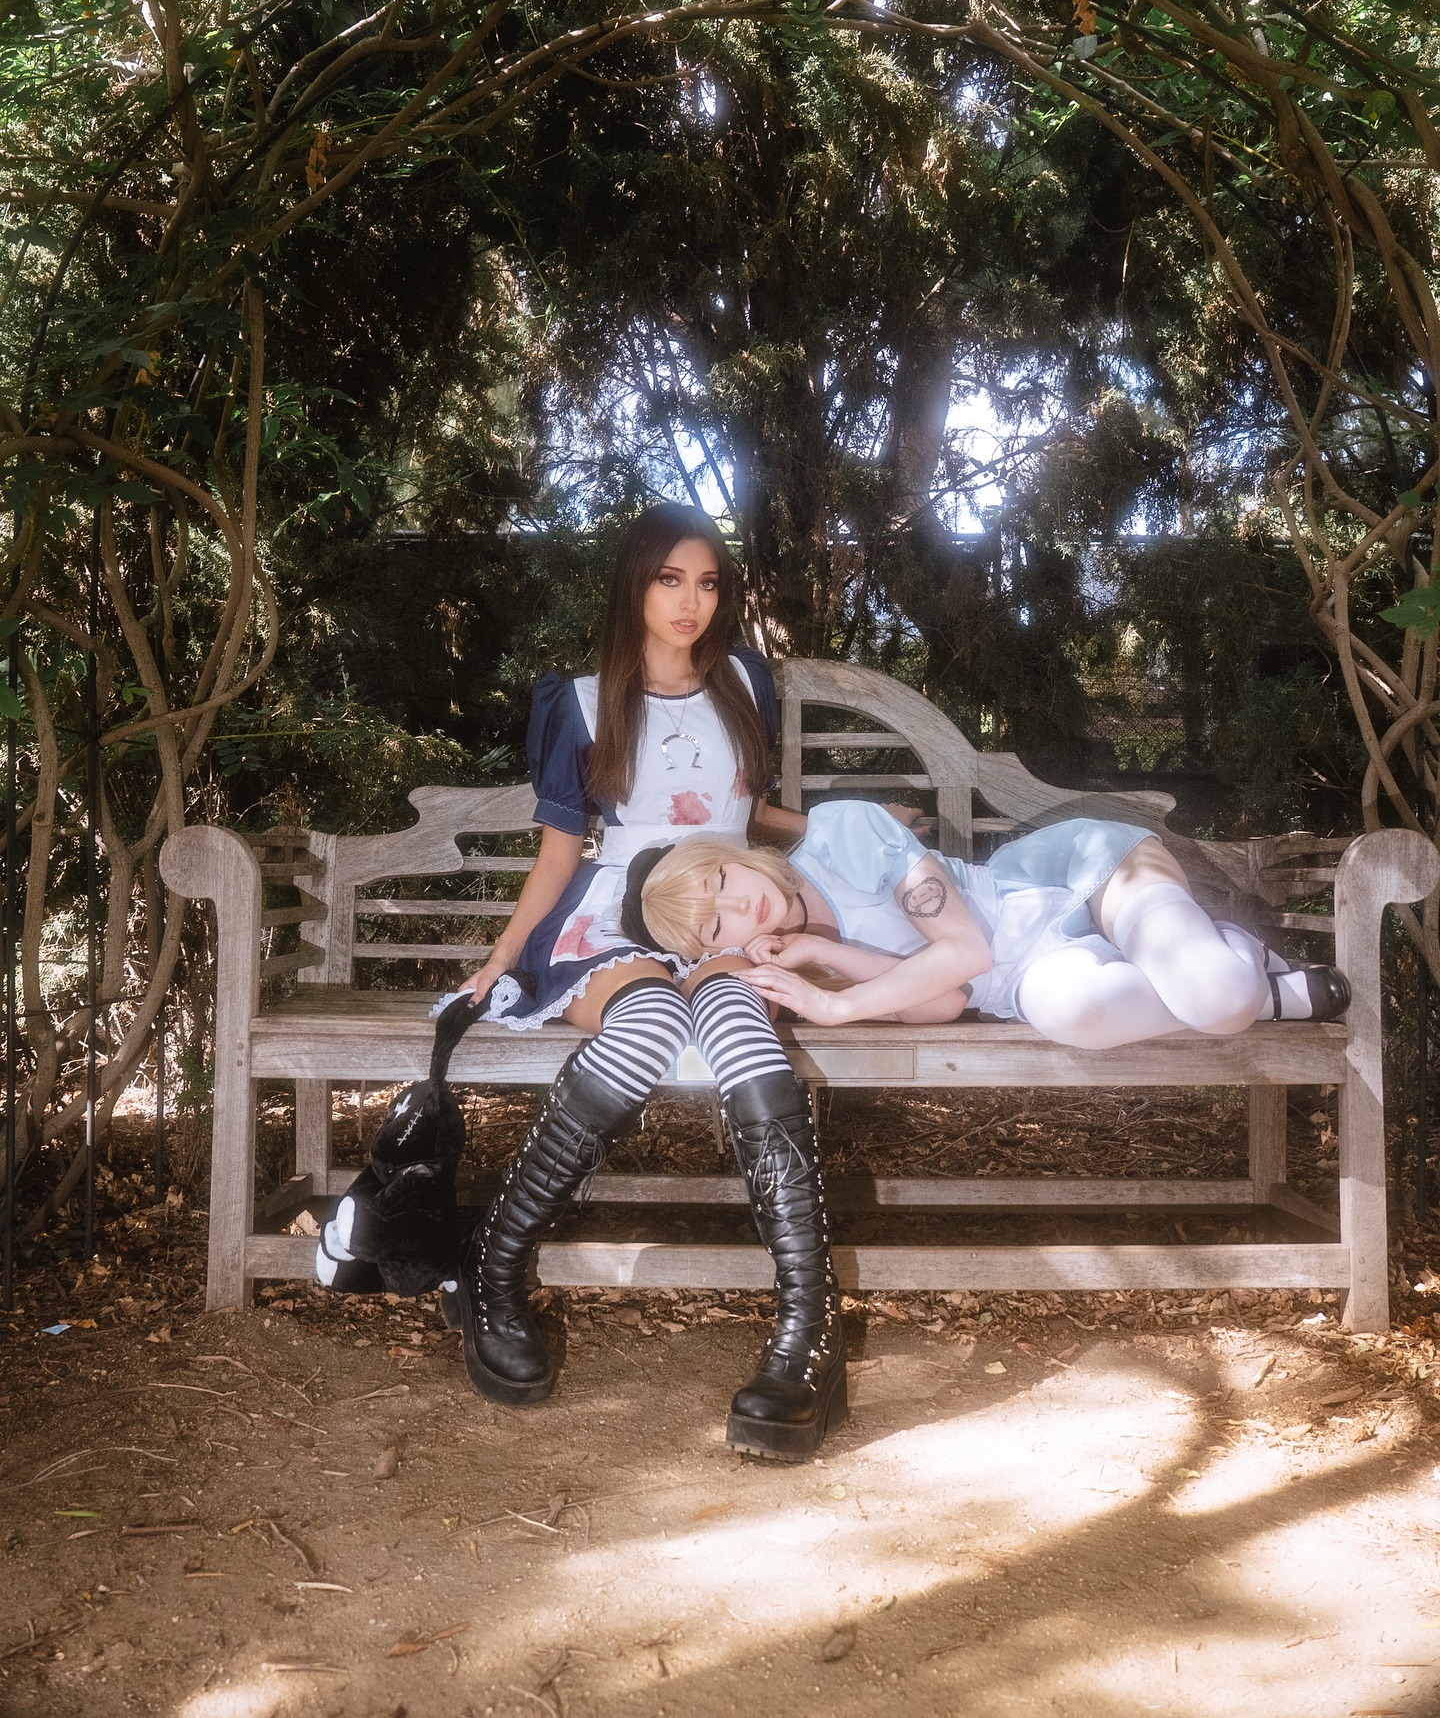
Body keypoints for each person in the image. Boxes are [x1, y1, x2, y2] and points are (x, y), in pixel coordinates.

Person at [440, 503, 850, 1459]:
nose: (689, 602)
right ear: (635, 585)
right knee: (651, 1018)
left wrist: (836, 826)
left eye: (706, 582)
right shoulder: (582, 702)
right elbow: (558, 852)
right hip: (617, 910)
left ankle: (810, 1324)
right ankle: (493, 1267)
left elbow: (746, 813)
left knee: (735, 1009)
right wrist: (503, 955)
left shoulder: (746, 680)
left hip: (726, 904)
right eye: (670, 579)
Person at [630, 799, 1350, 1043]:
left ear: (733, 856)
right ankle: (1252, 982)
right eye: (715, 926)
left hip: (1081, 880)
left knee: (1219, 997)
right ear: (719, 950)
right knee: (1066, 1011)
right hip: (1029, 978)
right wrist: (823, 966)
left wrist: (838, 1007)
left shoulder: (839, 832)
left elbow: (966, 948)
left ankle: (1238, 967)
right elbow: (946, 1000)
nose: (740, 905)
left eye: (720, 880)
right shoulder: (804, 955)